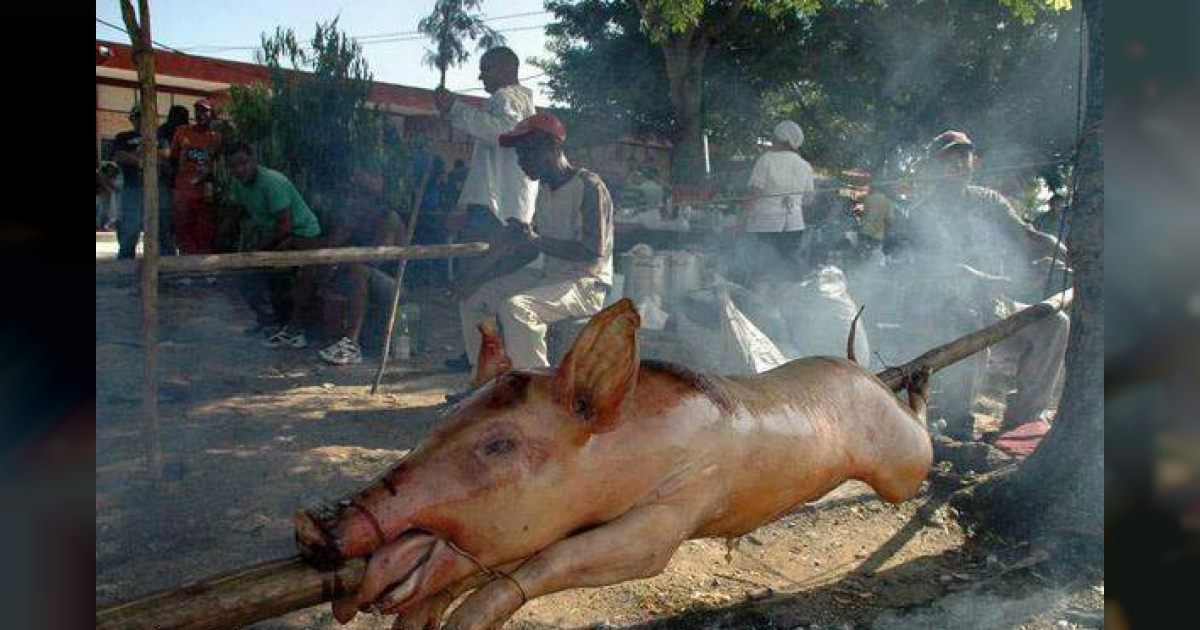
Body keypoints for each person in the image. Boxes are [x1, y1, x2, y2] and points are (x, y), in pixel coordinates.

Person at [891, 130, 1071, 441]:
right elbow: (951, 271)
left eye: (964, 156)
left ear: (974, 161)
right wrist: (1000, 281)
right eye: (950, 157)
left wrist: (1065, 251)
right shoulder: (923, 215)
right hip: (945, 315)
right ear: (936, 166)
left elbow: (1026, 235)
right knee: (969, 317)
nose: (959, 163)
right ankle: (958, 419)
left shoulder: (989, 200)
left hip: (996, 308)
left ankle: (1022, 420)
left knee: (1054, 323)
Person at [455, 112, 613, 370]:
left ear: (552, 147)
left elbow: (591, 251)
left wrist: (536, 240)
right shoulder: (544, 192)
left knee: (517, 309)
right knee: (475, 296)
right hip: (551, 278)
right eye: (518, 154)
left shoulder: (589, 186)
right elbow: (530, 251)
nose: (520, 161)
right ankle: (485, 381)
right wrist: (483, 274)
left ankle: (535, 390)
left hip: (586, 285)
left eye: (527, 152)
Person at [434, 46, 538, 370]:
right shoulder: (516, 101)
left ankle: (483, 358)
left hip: (498, 211)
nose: (480, 76)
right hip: (499, 207)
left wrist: (455, 109)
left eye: (485, 68)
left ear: (507, 67)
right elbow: (487, 163)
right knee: (483, 285)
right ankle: (481, 355)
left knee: (477, 282)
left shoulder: (508, 97)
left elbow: (503, 134)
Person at [281, 170, 404, 365]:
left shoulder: (389, 218)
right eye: (353, 192)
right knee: (312, 265)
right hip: (354, 275)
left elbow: (380, 258)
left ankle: (351, 343)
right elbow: (333, 245)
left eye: (362, 193)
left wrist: (344, 261)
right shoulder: (353, 217)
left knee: (358, 268)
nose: (354, 197)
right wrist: (303, 244)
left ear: (375, 197)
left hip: (390, 284)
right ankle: (294, 331)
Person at [222, 142, 323, 344]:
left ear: (253, 160)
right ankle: (270, 321)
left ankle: (293, 329)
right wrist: (221, 239)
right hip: (278, 235)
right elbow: (234, 212)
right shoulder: (238, 184)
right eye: (233, 166)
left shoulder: (271, 182)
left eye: (243, 163)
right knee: (243, 276)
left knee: (277, 275)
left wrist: (258, 250)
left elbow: (285, 225)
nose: (239, 170)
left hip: (302, 234)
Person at [737, 120, 815, 286]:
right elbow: (809, 199)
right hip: (794, 224)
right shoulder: (805, 166)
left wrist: (740, 221)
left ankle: (762, 306)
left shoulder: (766, 160)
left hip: (765, 224)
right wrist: (793, 199)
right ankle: (787, 307)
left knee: (762, 269)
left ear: (780, 139)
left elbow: (754, 193)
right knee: (787, 268)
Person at [171, 99, 222, 255]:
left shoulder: (216, 138)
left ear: (211, 114)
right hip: (182, 194)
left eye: (204, 111)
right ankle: (185, 273)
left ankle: (204, 273)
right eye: (198, 111)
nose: (200, 114)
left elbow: (218, 166)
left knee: (205, 233)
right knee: (183, 232)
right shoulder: (182, 132)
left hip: (204, 195)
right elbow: (172, 159)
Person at [110, 105, 146, 259]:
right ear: (132, 118)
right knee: (130, 231)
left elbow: (165, 157)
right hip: (132, 188)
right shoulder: (123, 137)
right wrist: (142, 160)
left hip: (156, 190)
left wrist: (136, 158)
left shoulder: (159, 136)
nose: (142, 119)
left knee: (159, 233)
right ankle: (125, 268)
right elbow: (119, 156)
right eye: (138, 116)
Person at [156, 105, 190, 256]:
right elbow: (166, 154)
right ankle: (168, 255)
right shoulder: (164, 131)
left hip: (180, 184)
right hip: (167, 183)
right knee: (167, 222)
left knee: (177, 222)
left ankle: (175, 253)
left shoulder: (183, 132)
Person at [96, 161, 120, 231]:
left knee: (105, 209)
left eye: (112, 170)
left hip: (104, 196)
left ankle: (104, 225)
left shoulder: (111, 176)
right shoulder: (99, 174)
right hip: (99, 196)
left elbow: (112, 187)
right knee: (100, 208)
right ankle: (99, 225)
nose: (111, 171)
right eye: (109, 169)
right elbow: (106, 188)